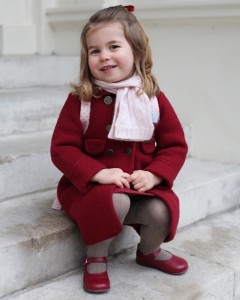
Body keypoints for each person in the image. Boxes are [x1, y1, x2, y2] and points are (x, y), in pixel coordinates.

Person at [51, 5, 188, 294]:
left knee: (161, 209)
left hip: (139, 187)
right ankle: (96, 257)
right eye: (94, 50)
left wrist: (154, 176)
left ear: (136, 51)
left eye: (114, 46)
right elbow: (62, 148)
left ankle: (148, 251)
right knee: (115, 202)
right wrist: (97, 173)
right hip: (92, 188)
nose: (104, 56)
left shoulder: (151, 98)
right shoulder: (82, 101)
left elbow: (174, 145)